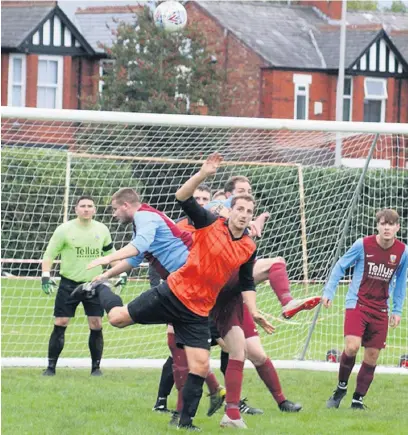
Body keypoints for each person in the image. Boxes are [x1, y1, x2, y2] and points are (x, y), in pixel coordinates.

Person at [74, 153, 273, 431]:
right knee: (117, 319)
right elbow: (182, 197)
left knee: (200, 365)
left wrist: (253, 310)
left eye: (249, 212)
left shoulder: (249, 247)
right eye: (239, 209)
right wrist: (203, 173)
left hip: (197, 310)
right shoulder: (208, 223)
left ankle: (185, 423)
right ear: (230, 209)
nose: (243, 215)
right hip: (172, 294)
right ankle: (98, 290)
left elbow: (246, 283)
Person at [324, 209, 407, 410]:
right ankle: (340, 388)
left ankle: (357, 399)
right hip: (357, 303)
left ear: (397, 227)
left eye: (391, 224)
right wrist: (329, 291)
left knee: (372, 356)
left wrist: (397, 310)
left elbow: (401, 282)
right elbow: (340, 266)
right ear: (377, 225)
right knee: (351, 346)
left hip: (381, 309)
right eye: (383, 223)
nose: (386, 227)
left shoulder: (403, 251)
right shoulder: (362, 244)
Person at [207, 175, 321, 320]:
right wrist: (236, 216)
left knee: (247, 342)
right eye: (241, 190)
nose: (246, 194)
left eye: (249, 191)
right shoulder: (218, 208)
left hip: (236, 278)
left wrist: (256, 221)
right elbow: (211, 207)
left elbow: (247, 237)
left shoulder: (244, 219)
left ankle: (288, 303)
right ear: (229, 195)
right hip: (214, 277)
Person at [41, 195, 127, 376]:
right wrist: (45, 275)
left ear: (94, 210)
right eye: (83, 206)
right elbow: (50, 254)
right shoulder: (64, 230)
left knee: (96, 323)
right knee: (61, 322)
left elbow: (110, 254)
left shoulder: (102, 230)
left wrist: (122, 272)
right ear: (76, 209)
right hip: (69, 283)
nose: (86, 209)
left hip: (95, 283)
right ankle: (50, 368)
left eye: (90, 206)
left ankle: (96, 368)